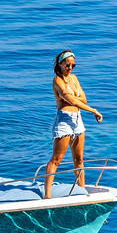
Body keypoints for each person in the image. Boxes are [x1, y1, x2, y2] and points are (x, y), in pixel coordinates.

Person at [43, 50, 102, 200]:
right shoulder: (57, 80)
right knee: (56, 159)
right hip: (64, 121)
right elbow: (75, 101)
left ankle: (82, 190)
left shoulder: (74, 79)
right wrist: (94, 111)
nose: (70, 68)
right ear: (60, 64)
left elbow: (84, 99)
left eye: (73, 65)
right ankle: (47, 195)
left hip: (77, 120)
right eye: (67, 65)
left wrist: (73, 98)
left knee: (79, 159)